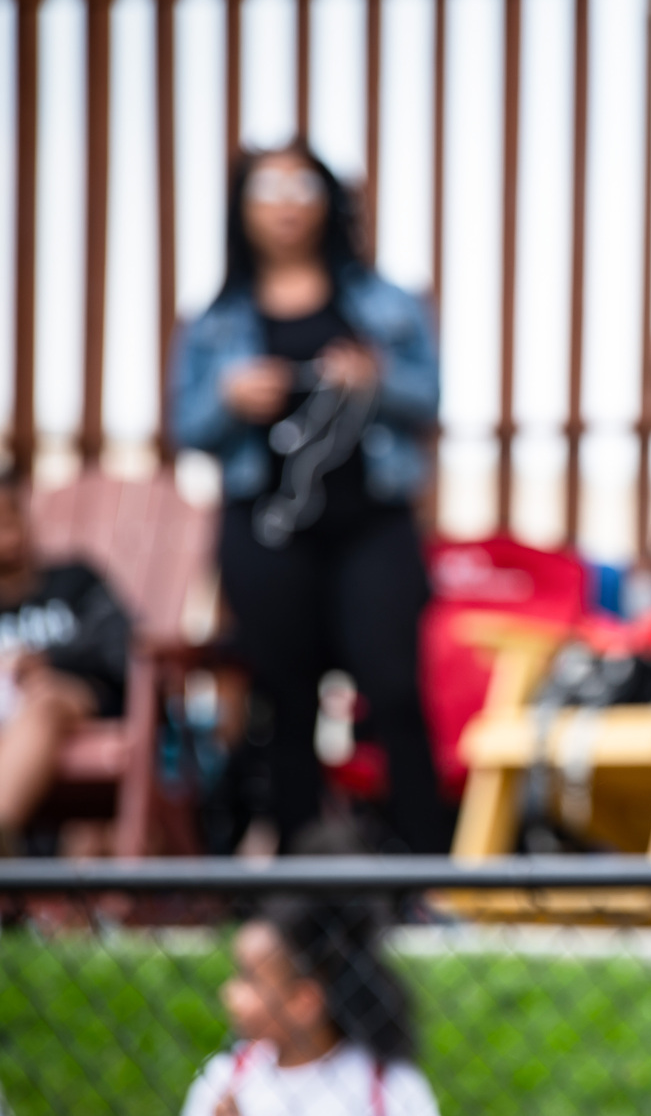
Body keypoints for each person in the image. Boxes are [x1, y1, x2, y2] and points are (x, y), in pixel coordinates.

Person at [172, 146, 451, 854]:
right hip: (264, 528)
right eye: (268, 187)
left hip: (371, 523)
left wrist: (374, 380)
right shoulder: (215, 319)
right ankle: (298, 884)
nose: (287, 201)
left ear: (328, 200)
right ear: (243, 207)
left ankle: (424, 876)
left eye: (302, 185)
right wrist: (230, 397)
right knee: (283, 700)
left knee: (393, 689)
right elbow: (188, 428)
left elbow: (429, 399)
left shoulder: (386, 302)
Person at [181, 894, 438, 1115]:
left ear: (304, 1001)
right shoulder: (225, 1080)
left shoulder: (389, 1087)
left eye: (249, 979)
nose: (229, 992)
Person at [0, 475, 131, 854]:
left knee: (44, 699)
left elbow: (122, 647)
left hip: (81, 702)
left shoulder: (74, 581)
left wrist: (49, 660)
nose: (9, 531)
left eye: (12, 515)